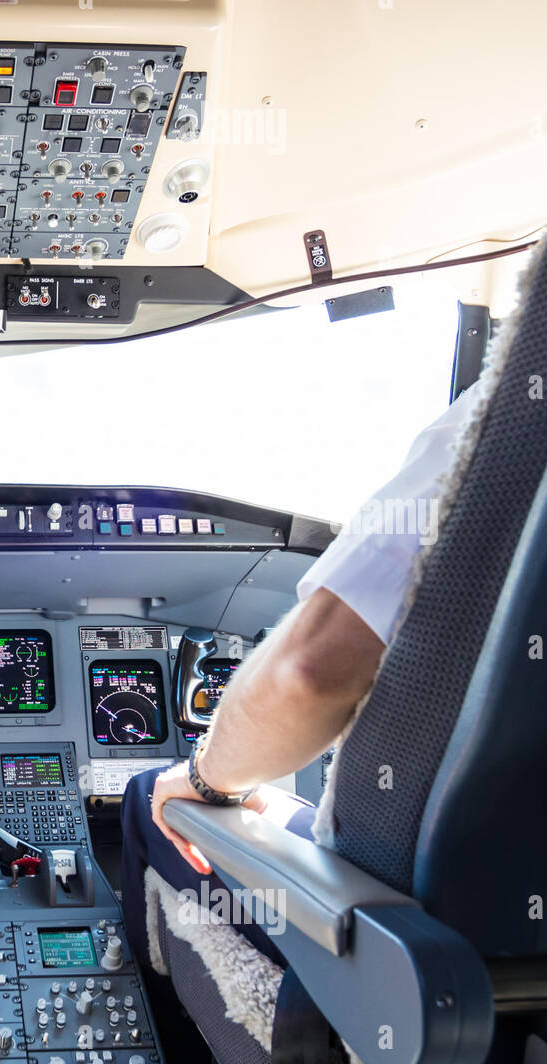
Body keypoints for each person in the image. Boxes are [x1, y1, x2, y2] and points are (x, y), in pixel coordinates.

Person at [120, 386, 477, 967]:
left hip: (394, 922)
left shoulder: (501, 431)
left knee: (149, 796)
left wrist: (208, 780)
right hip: (502, 917)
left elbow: (307, 672)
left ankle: (166, 1038)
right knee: (259, 803)